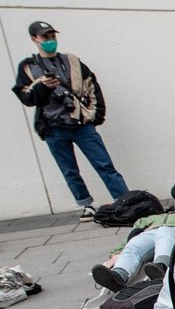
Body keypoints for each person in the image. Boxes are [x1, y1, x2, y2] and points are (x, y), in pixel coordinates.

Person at [11, 21, 129, 222]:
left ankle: (125, 200)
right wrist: (44, 87)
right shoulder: (29, 67)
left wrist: (94, 114)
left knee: (104, 164)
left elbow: (92, 85)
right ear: (34, 39)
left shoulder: (72, 61)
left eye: (52, 36)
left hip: (81, 124)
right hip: (53, 127)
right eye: (44, 37)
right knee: (70, 170)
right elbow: (27, 98)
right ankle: (86, 205)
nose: (49, 41)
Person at [91, 211, 175, 292]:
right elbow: (131, 237)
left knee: (164, 232)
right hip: (150, 232)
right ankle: (119, 275)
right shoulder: (146, 220)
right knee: (133, 244)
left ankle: (162, 265)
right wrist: (116, 253)